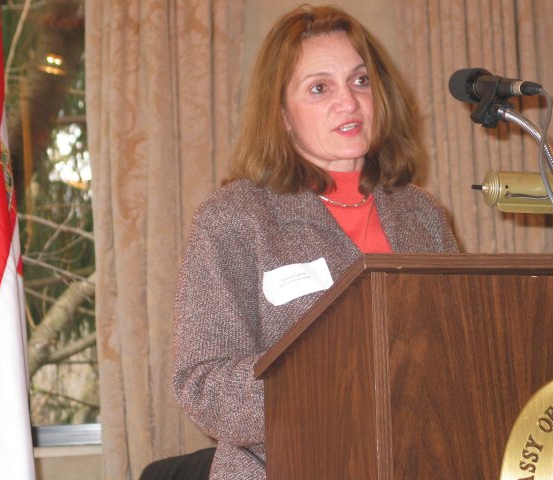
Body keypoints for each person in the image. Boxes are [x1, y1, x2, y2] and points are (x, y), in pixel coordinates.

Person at [172, 4, 458, 480]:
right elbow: (202, 384)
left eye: (360, 81)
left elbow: (457, 349)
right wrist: (330, 379)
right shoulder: (234, 218)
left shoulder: (422, 215)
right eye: (320, 88)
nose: (349, 102)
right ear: (282, 114)